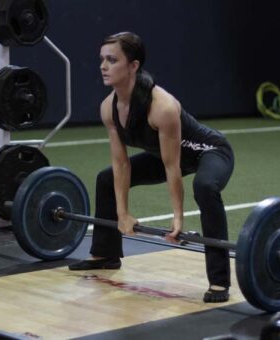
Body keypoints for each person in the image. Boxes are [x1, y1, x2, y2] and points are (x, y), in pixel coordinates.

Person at [68, 32, 236, 303]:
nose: (103, 66)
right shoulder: (108, 108)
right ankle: (104, 254)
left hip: (209, 151)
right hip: (166, 156)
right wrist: (123, 214)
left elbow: (172, 166)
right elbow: (121, 163)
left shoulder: (163, 107)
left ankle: (219, 281)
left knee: (204, 186)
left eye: (112, 60)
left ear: (133, 66)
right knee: (105, 178)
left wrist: (178, 218)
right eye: (102, 59)